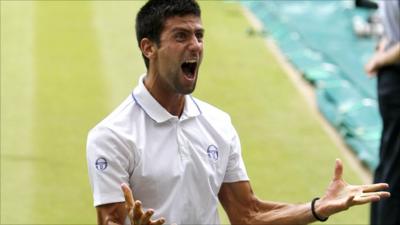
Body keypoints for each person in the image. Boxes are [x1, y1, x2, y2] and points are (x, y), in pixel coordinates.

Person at [86, 1, 390, 224]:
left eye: (199, 35)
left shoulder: (218, 124)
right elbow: (110, 219)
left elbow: (247, 214)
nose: (195, 46)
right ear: (148, 48)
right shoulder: (111, 136)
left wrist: (318, 207)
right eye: (181, 36)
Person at [365, 1, 400, 224]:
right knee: (394, 174)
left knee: (389, 165)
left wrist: (381, 55)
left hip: (390, 78)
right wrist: (382, 58)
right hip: (395, 76)